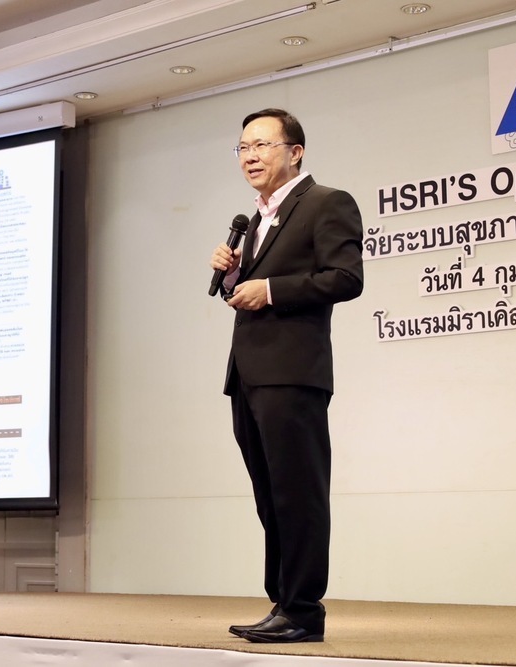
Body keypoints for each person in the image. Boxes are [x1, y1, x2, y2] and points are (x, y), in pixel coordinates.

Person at [209, 108, 364, 643]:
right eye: (242, 148)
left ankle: (303, 611)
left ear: (295, 152)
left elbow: (345, 277)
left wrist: (271, 289)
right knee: (270, 496)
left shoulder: (327, 203)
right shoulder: (255, 221)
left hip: (293, 373)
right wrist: (235, 276)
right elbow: (247, 294)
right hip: (248, 374)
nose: (249, 156)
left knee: (299, 493)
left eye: (262, 145)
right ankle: (282, 602)